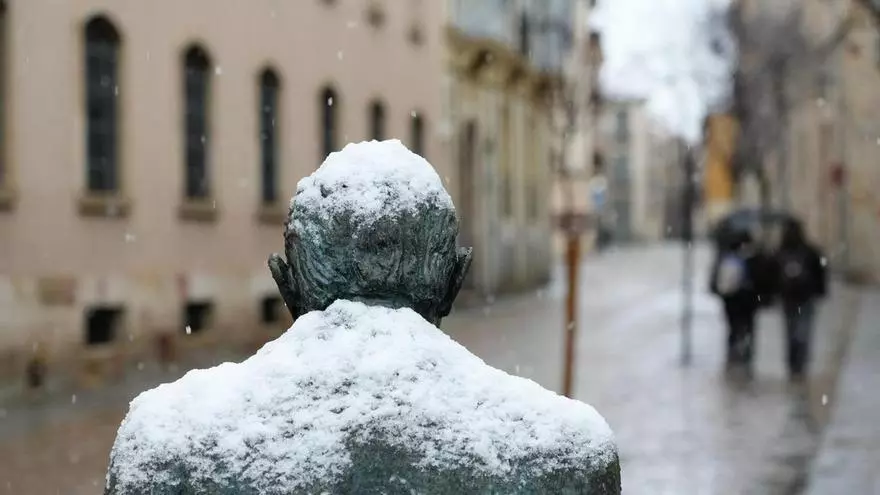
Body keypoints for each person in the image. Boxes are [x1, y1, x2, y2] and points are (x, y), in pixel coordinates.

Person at [773, 220, 827, 380]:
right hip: (805, 298)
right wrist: (820, 291)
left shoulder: (781, 252)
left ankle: (793, 364)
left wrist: (773, 294)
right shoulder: (810, 251)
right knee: (803, 331)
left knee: (791, 331)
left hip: (789, 298)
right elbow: (821, 272)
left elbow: (772, 276)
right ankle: (800, 364)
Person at [710, 230, 768, 371]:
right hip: (748, 301)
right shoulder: (753, 257)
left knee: (732, 328)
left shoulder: (725, 257)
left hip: (730, 300)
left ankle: (733, 356)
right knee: (747, 327)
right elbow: (762, 279)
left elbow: (715, 281)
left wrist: (720, 292)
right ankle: (745, 357)